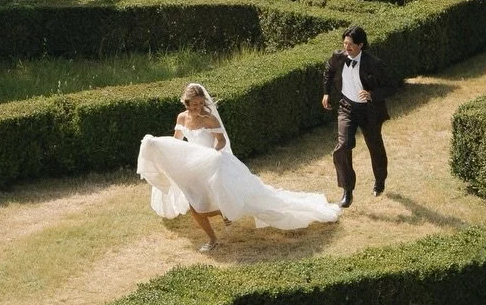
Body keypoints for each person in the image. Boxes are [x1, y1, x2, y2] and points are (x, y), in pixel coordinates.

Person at [137, 82, 340, 243]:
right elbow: (177, 141)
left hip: (212, 162)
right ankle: (218, 227)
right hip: (193, 164)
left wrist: (212, 155)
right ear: (187, 104)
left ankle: (221, 223)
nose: (199, 107)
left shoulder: (210, 120)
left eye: (201, 103)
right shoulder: (182, 118)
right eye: (194, 104)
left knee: (210, 203)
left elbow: (221, 141)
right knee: (198, 203)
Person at [321, 25, 389, 207]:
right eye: (344, 43)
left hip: (369, 111)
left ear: (360, 45)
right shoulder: (338, 57)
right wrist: (326, 93)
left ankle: (380, 181)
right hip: (347, 107)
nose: (346, 48)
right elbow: (328, 71)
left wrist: (372, 95)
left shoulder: (373, 63)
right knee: (342, 146)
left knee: (375, 146)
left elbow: (391, 86)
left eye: (350, 44)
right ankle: (347, 191)